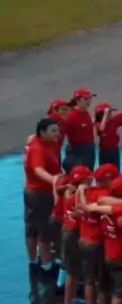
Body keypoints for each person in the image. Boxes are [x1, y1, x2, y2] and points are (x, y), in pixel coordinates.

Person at [77, 163, 122, 304]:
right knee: (103, 282)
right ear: (108, 180)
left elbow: (79, 210)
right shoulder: (102, 195)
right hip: (97, 243)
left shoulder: (87, 191)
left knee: (89, 280)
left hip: (84, 240)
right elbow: (115, 204)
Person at [24, 118, 64, 275]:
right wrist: (55, 180)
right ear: (42, 133)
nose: (57, 134)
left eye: (57, 130)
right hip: (40, 193)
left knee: (32, 227)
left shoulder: (44, 143)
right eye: (53, 131)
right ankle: (46, 265)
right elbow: (38, 170)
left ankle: (34, 261)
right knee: (43, 229)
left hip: (34, 191)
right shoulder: (38, 148)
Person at [59, 166, 91, 304]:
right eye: (88, 178)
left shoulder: (68, 192)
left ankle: (72, 299)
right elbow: (80, 211)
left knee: (74, 269)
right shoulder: (77, 195)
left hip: (68, 230)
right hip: (72, 233)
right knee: (72, 271)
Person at [63, 88, 97, 171]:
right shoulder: (71, 116)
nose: (89, 101)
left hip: (89, 150)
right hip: (78, 152)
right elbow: (61, 132)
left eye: (90, 98)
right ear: (77, 100)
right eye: (85, 99)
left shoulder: (85, 112)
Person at [95, 102, 122, 170]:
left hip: (114, 150)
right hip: (104, 151)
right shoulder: (98, 123)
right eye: (109, 113)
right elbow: (101, 129)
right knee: (104, 169)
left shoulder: (114, 120)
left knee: (115, 169)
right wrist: (105, 116)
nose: (110, 114)